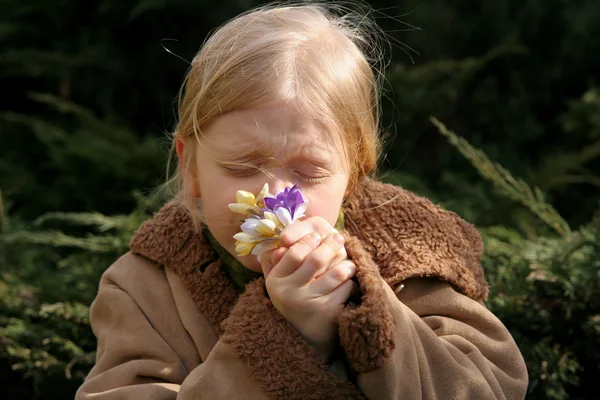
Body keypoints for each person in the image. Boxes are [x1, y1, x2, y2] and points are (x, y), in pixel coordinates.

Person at [75, 3, 528, 399]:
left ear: (353, 172)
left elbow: (487, 385)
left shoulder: (413, 255)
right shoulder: (143, 287)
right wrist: (283, 334)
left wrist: (363, 312)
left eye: (309, 172)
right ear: (191, 168)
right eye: (241, 167)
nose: (272, 199)